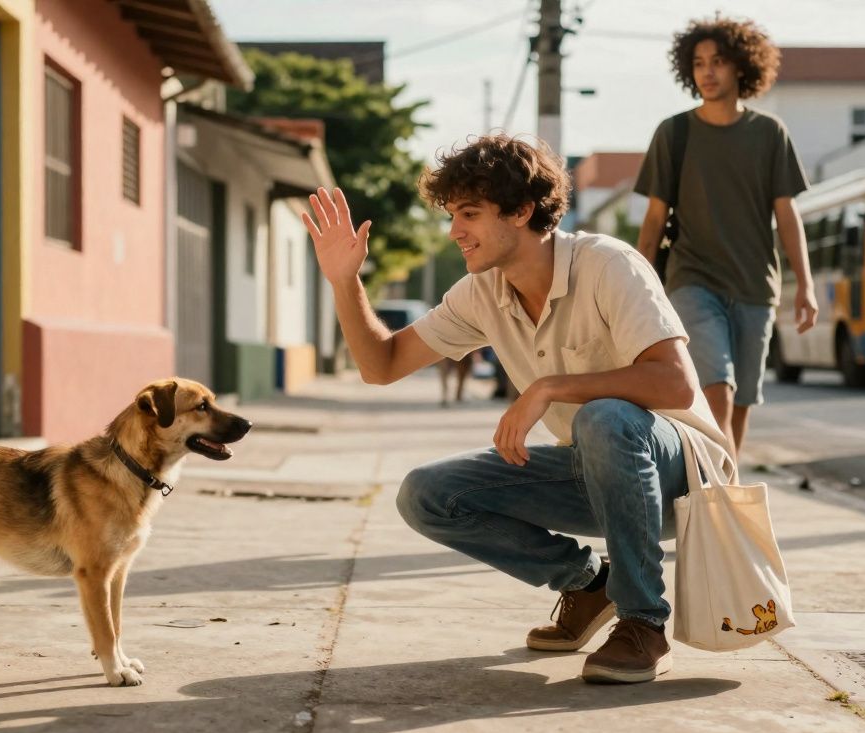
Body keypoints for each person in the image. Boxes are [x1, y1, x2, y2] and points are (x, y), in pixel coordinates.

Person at [301, 135, 732, 684]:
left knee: (604, 416)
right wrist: (345, 281)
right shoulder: (481, 291)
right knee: (428, 495)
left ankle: (643, 621)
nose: (456, 230)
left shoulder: (607, 265)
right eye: (454, 214)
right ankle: (586, 583)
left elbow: (675, 385)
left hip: (683, 474)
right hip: (596, 469)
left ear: (523, 210)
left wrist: (549, 386)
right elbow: (381, 365)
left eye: (471, 214)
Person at [635, 15, 817, 459]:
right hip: (693, 279)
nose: (708, 72)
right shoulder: (673, 133)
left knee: (739, 402)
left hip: (755, 285)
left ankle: (721, 482)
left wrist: (805, 286)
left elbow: (787, 214)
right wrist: (638, 287)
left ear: (741, 66)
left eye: (718, 61)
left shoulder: (770, 133)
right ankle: (726, 497)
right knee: (716, 383)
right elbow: (654, 219)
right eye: (698, 63)